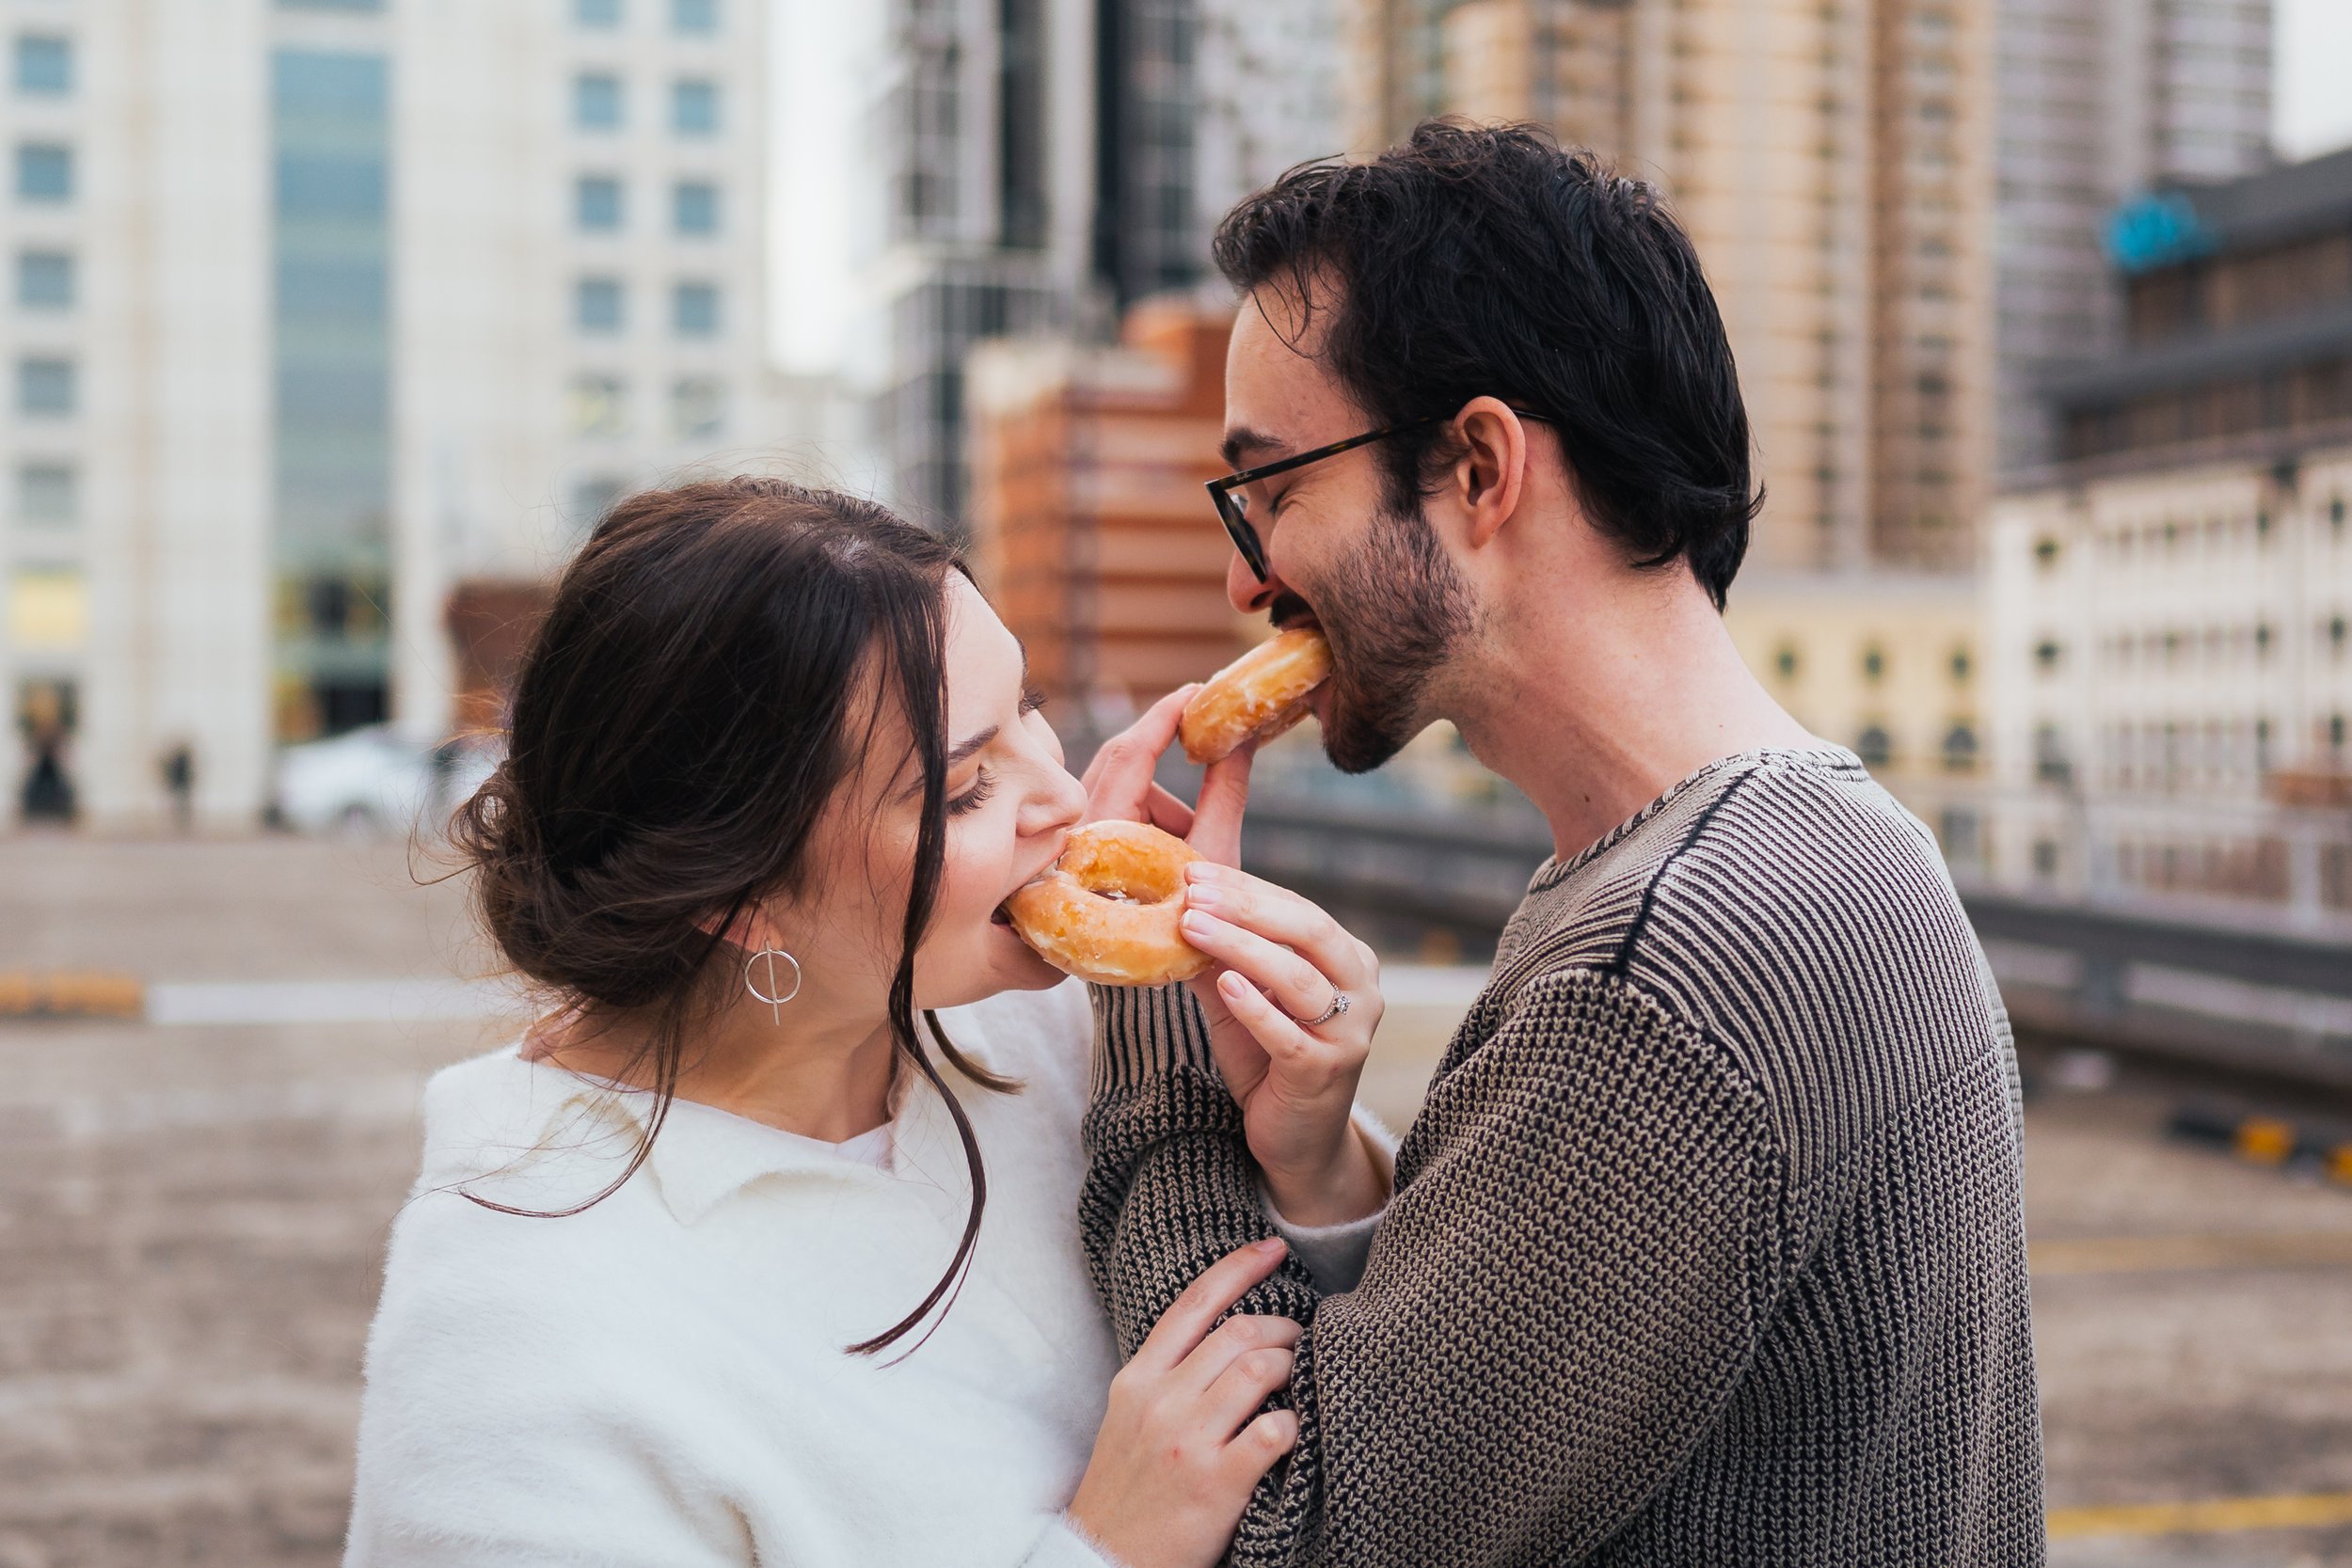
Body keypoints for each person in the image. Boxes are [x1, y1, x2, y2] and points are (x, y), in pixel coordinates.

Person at [1073, 122, 2046, 1565]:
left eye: (1274, 492)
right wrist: (1318, 1160)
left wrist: (1149, 1008)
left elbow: (1296, 1530)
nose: (1241, 575)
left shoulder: (1683, 957)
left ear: (1477, 468)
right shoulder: (1807, 843)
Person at [342, 479, 1399, 1568]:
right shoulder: (515, 1338)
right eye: (962, 789)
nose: (1063, 799)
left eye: (1029, 707)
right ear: (740, 896)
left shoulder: (1053, 1040)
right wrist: (1105, 1549)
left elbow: (1366, 1409)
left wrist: (1307, 1156)